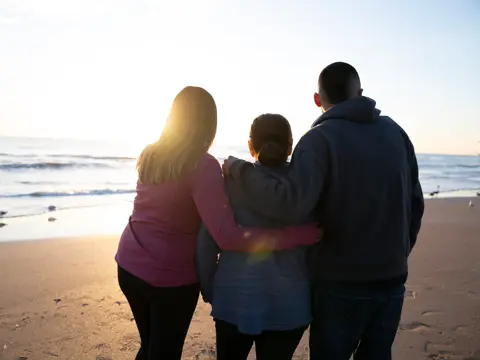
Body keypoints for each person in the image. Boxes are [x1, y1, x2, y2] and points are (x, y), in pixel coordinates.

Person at [224, 62, 425, 360]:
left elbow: (289, 204)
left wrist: (240, 171)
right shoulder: (396, 134)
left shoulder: (319, 140)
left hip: (339, 282)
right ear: (360, 93)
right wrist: (400, 252)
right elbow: (415, 205)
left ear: (318, 100)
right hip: (392, 276)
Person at [115, 86, 318, 360]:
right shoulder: (203, 165)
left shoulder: (150, 153)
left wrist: (211, 287)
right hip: (168, 278)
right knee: (163, 352)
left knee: (149, 344)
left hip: (129, 264)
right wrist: (295, 236)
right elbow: (226, 237)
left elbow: (199, 235)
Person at [197, 114, 313, 360]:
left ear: (250, 146)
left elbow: (207, 242)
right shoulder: (305, 187)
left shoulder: (228, 182)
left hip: (233, 299)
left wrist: (209, 288)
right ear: (291, 146)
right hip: (290, 305)